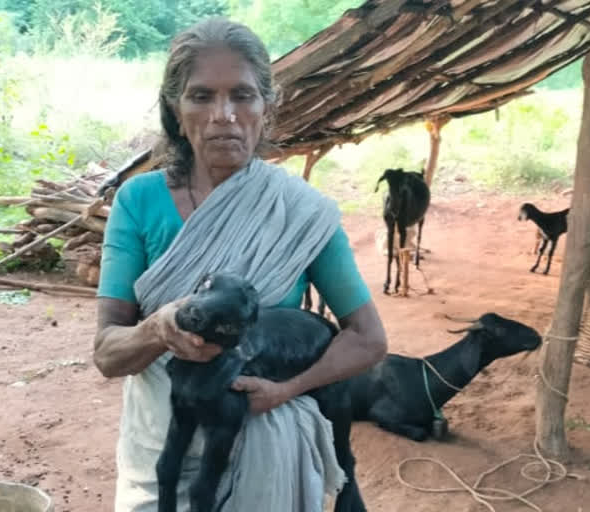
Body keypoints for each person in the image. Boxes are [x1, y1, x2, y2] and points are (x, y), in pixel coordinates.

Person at [92, 16, 388, 512]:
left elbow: (368, 340)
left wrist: (285, 389)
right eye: (202, 96)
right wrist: (156, 331)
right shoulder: (138, 202)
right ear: (175, 108)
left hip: (265, 454)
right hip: (158, 448)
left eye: (243, 96)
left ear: (266, 108)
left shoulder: (299, 211)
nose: (223, 115)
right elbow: (107, 353)